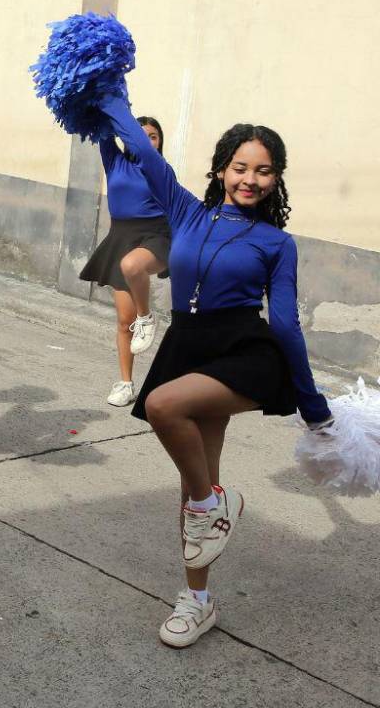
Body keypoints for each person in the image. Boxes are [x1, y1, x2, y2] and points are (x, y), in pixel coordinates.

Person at [98, 93, 333, 648]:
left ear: (277, 179)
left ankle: (215, 504)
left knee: (164, 408)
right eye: (241, 167)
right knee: (194, 479)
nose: (250, 179)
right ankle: (197, 599)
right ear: (222, 169)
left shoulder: (277, 243)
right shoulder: (186, 211)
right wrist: (109, 95)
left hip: (243, 349)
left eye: (264, 171)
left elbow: (285, 323)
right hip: (187, 343)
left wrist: (313, 404)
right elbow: (142, 152)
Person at [78, 116, 170, 406]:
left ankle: (147, 317)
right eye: (139, 135)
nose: (146, 140)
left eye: (153, 136)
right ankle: (126, 384)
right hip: (121, 237)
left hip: (155, 235)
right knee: (123, 321)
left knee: (134, 265)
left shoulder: (161, 169)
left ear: (160, 142)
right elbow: (103, 127)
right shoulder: (114, 160)